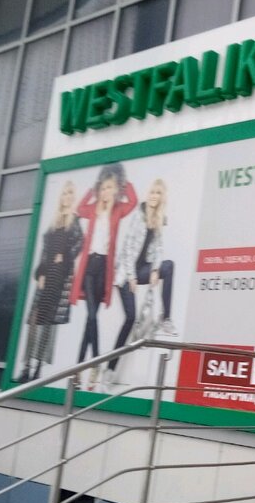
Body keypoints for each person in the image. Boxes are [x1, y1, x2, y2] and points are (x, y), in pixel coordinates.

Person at [70, 163, 137, 388]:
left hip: (104, 269)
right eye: (104, 188)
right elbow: (79, 208)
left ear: (115, 190)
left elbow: (133, 201)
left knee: (90, 320)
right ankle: (96, 362)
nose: (107, 192)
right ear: (100, 189)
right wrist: (92, 190)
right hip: (89, 266)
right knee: (92, 315)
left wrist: (124, 184)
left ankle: (78, 370)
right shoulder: (92, 209)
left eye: (111, 188)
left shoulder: (117, 209)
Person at [104, 178, 176, 387]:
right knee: (130, 318)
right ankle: (110, 368)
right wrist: (131, 277)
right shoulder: (139, 215)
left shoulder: (158, 219)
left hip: (143, 269)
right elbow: (127, 248)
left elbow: (158, 249)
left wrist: (155, 269)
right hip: (126, 274)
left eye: (158, 193)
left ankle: (166, 318)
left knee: (168, 266)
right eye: (152, 192)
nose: (154, 196)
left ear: (162, 197)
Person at [16, 181, 82, 382]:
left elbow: (80, 243)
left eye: (70, 193)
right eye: (65, 193)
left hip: (60, 277)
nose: (67, 197)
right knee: (34, 320)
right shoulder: (54, 222)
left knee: (48, 323)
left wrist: (66, 256)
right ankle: (26, 367)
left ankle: (37, 368)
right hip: (47, 275)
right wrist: (41, 274)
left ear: (73, 197)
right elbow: (45, 252)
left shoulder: (74, 221)